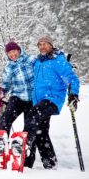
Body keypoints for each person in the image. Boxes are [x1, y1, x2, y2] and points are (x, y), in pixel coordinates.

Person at [23, 35, 80, 169]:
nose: (42, 47)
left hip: (53, 99)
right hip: (39, 101)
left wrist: (74, 95)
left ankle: (24, 145)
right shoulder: (38, 62)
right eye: (40, 44)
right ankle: (50, 162)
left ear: (51, 45)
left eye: (45, 44)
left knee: (32, 114)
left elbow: (72, 79)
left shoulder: (58, 60)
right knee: (40, 131)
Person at [0, 41, 36, 167]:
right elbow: (6, 85)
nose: (12, 54)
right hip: (17, 97)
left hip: (33, 98)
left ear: (19, 50)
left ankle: (27, 159)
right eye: (10, 53)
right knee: (5, 119)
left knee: (30, 126)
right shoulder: (8, 67)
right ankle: (1, 148)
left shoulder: (30, 59)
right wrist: (0, 93)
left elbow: (44, 65)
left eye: (14, 51)